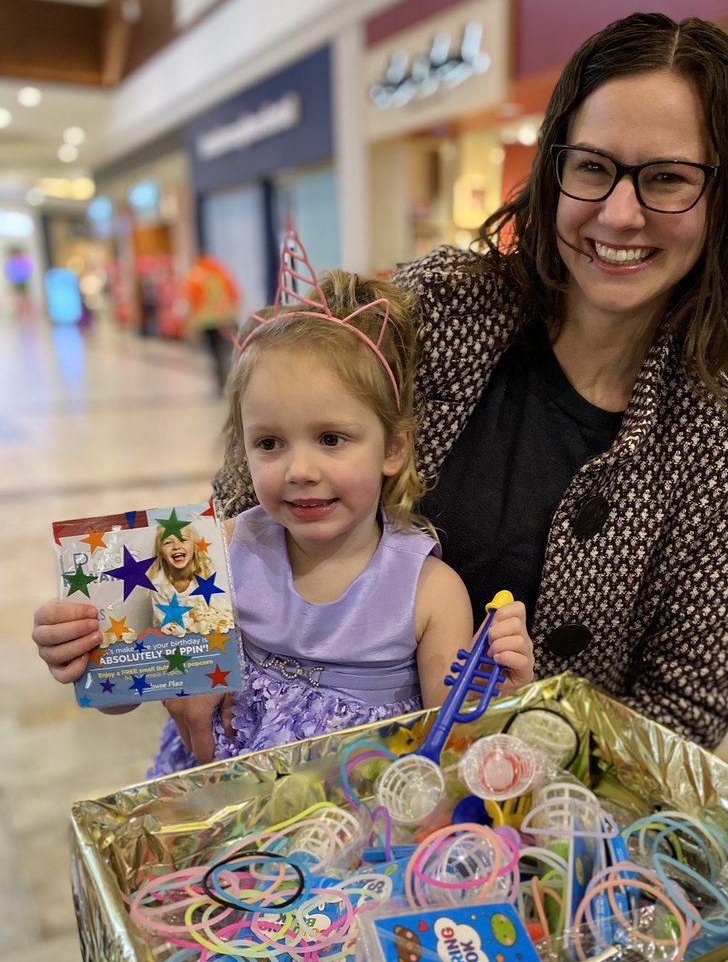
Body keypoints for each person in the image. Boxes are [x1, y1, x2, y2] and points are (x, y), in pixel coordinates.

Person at [208, 12, 728, 757]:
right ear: (554, 168)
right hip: (298, 783)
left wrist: (534, 736)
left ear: (726, 198)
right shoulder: (442, 308)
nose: (618, 212)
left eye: (667, 178)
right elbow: (237, 494)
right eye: (592, 166)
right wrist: (176, 652)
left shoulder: (717, 446)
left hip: (517, 822)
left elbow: (689, 706)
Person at [32, 257, 534, 776]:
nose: (299, 470)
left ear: (395, 447)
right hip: (219, 813)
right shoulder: (216, 552)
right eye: (270, 443)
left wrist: (497, 691)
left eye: (331, 439)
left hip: (350, 827)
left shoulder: (428, 593)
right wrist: (82, 647)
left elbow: (450, 750)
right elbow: (134, 685)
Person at [182, 254, 241, 391]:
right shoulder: (220, 272)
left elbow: (192, 301)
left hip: (207, 322)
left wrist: (189, 324)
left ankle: (221, 383)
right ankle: (235, 381)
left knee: (215, 354)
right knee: (231, 351)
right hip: (226, 318)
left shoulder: (195, 276)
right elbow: (234, 293)